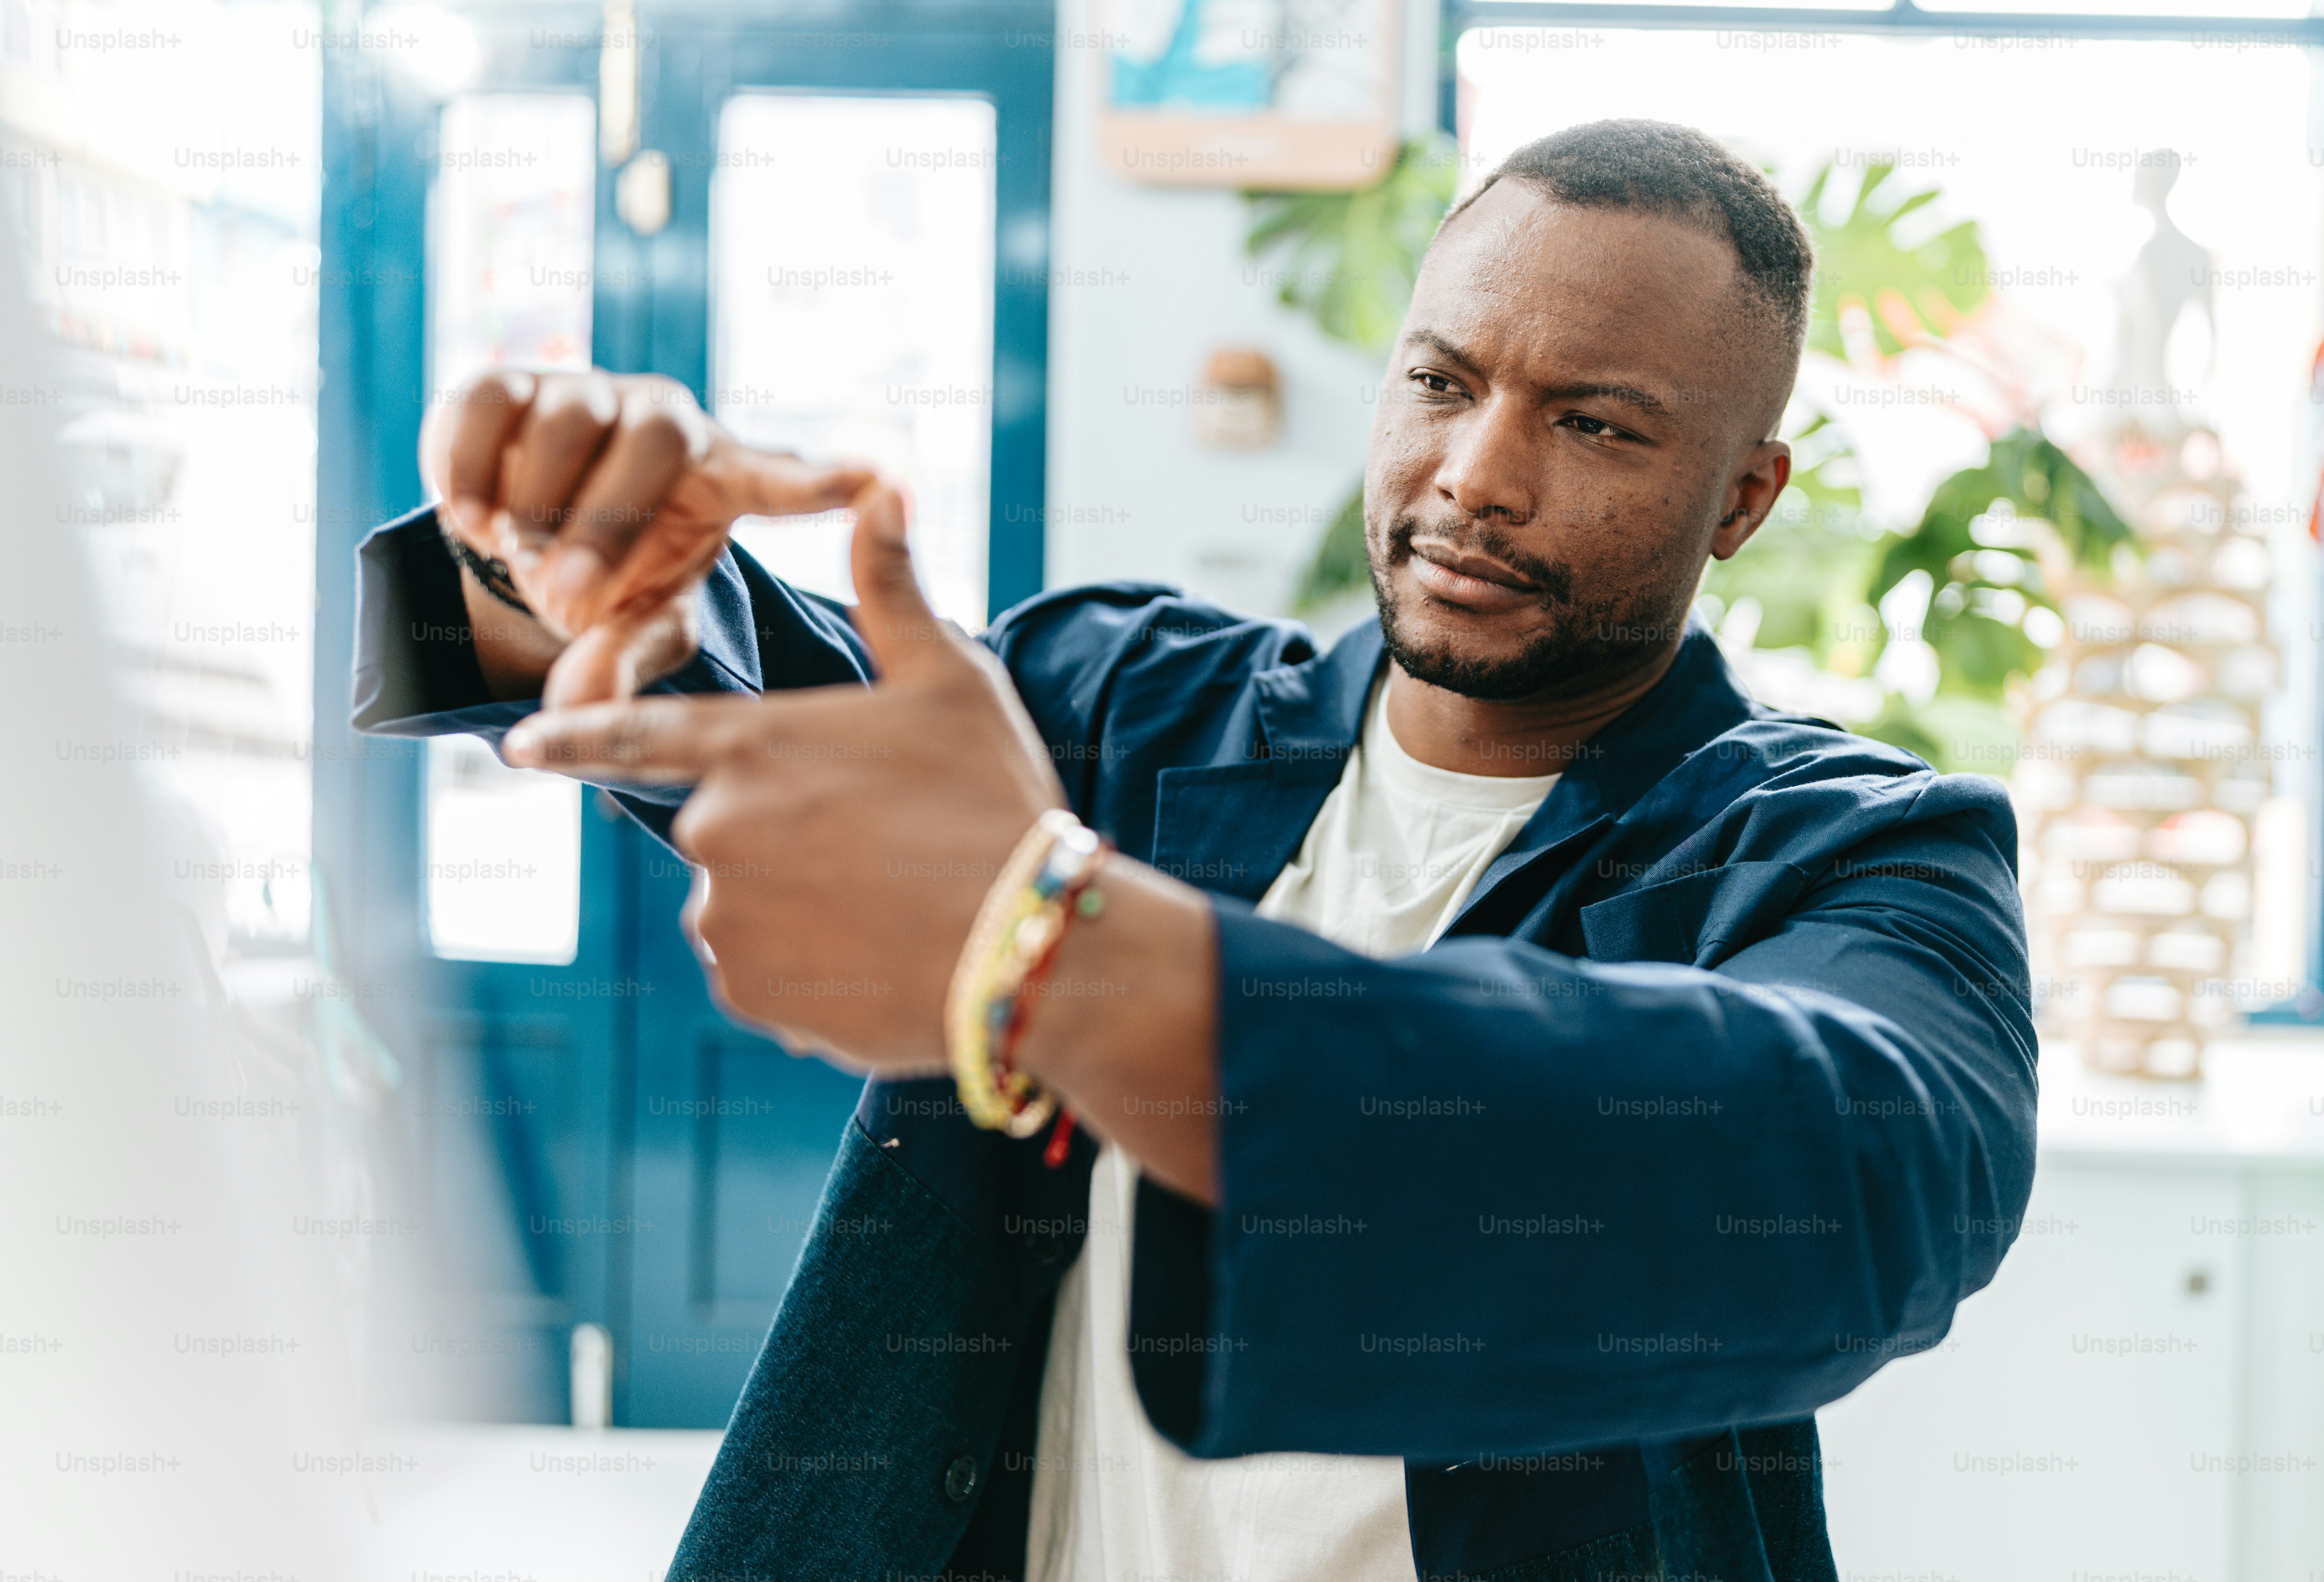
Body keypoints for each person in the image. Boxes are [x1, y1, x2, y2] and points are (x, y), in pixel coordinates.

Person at [353, 119, 2037, 1582]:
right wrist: (561, 569)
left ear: (1743, 500)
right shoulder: (1122, 712)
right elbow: (777, 700)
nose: (1476, 477)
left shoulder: (1847, 851)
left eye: (1596, 426)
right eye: (1443, 383)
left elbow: (1843, 1174)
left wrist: (1061, 955)